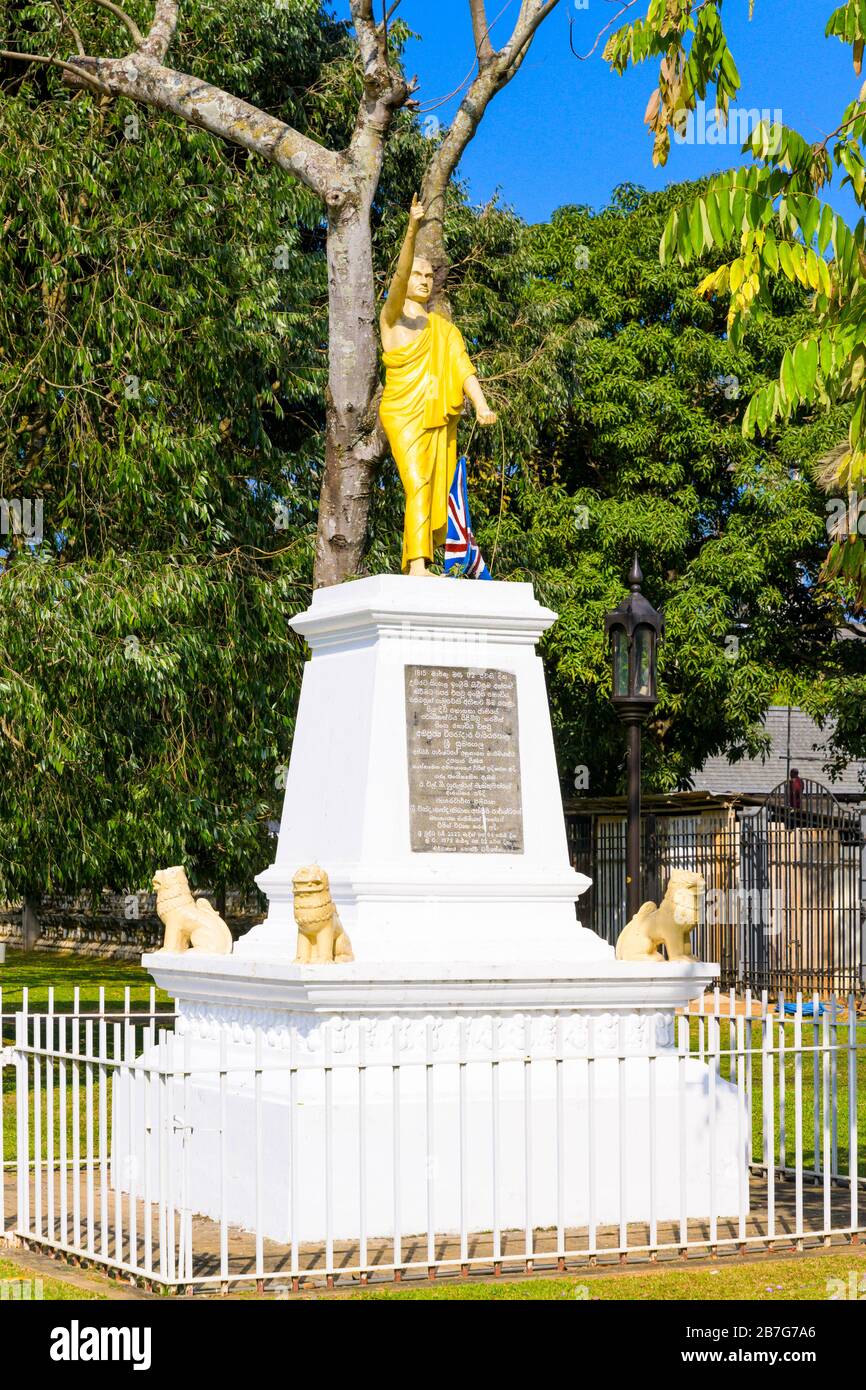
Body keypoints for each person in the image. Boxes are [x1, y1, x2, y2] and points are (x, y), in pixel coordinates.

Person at [379, 195, 497, 576]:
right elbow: (397, 278)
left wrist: (480, 405)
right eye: (419, 275)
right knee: (416, 481)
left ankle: (425, 556)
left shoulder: (445, 331)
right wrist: (412, 229)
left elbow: (464, 370)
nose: (425, 281)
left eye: (430, 276)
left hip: (437, 416)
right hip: (403, 412)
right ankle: (416, 565)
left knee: (434, 486)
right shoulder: (392, 318)